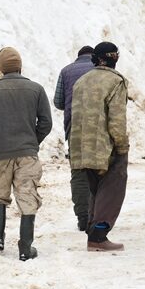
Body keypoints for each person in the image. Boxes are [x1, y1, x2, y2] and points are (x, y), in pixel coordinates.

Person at [0, 46, 53, 261]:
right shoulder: (36, 90)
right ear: (20, 66)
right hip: (27, 153)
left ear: (1, 68)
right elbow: (46, 123)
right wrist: (32, 142)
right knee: (27, 195)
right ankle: (25, 248)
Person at [69, 41, 129, 252]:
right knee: (112, 189)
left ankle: (93, 230)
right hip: (105, 147)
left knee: (95, 190)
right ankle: (99, 234)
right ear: (113, 58)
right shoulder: (115, 82)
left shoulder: (81, 81)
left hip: (81, 147)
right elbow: (116, 121)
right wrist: (122, 146)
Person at [53, 45, 96, 231]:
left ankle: (82, 217)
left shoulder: (66, 71)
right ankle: (98, 216)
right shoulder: (100, 70)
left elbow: (58, 102)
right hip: (98, 127)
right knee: (99, 171)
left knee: (78, 173)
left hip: (75, 127)